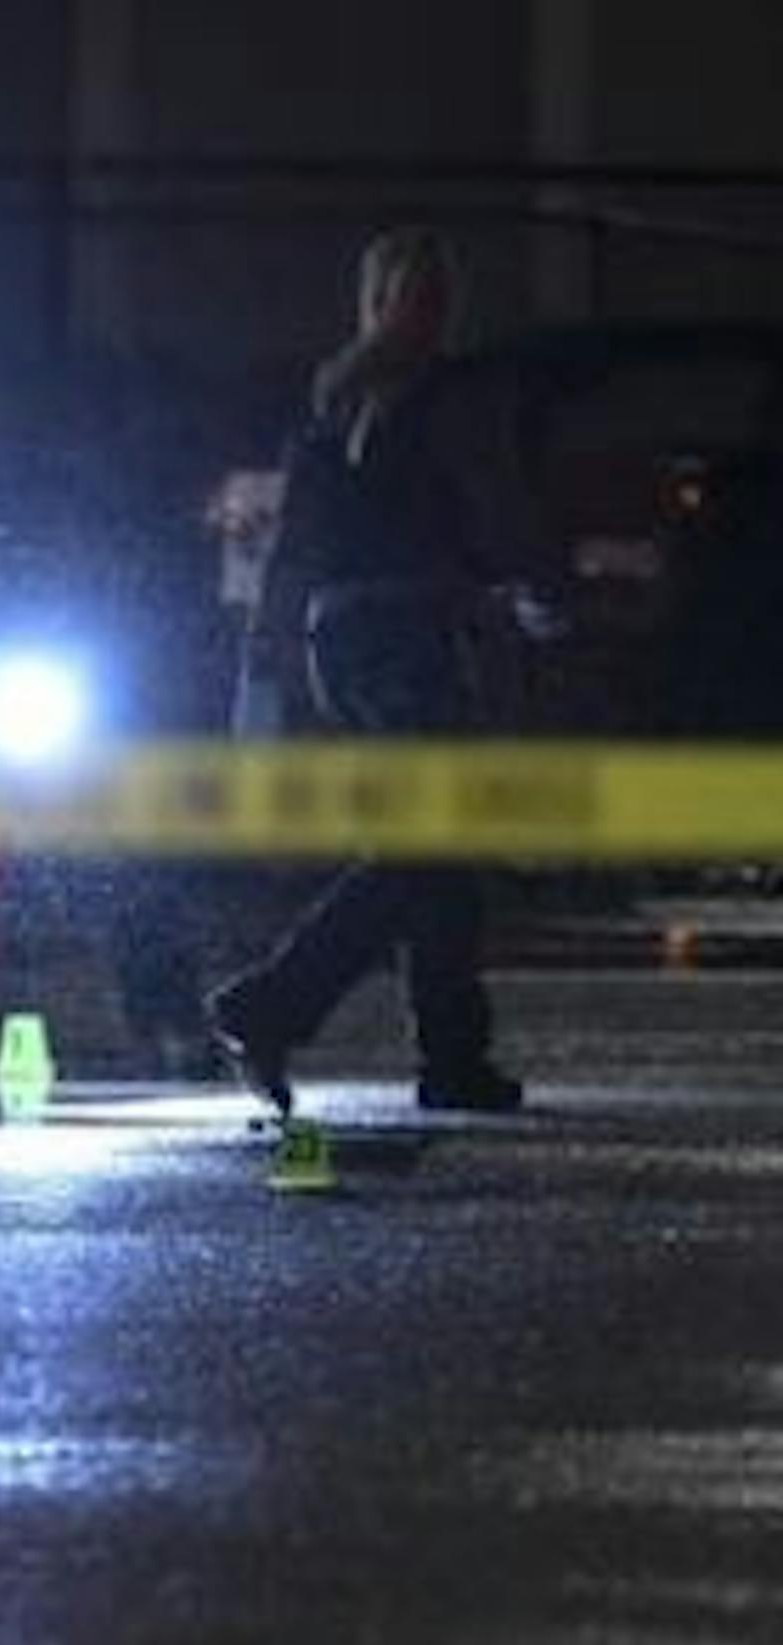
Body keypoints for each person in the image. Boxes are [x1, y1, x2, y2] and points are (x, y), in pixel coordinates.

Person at [207, 227, 557, 1115]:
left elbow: (294, 541)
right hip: (411, 632)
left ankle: (452, 1054)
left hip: (346, 639)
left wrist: (272, 639)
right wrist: (539, 583)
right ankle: (274, 1003)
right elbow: (491, 503)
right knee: (429, 841)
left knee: (435, 845)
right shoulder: (448, 397)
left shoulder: (331, 400)